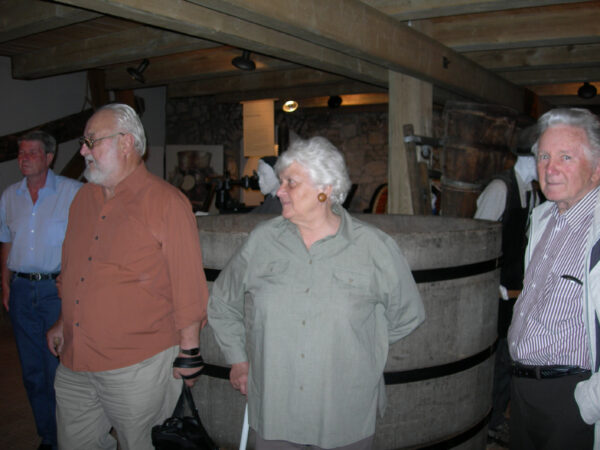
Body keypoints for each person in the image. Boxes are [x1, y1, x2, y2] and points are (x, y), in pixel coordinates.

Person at [208, 136, 425, 450]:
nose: (279, 191)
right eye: (281, 182)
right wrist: (238, 359)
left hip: (344, 416)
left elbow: (408, 314)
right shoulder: (263, 241)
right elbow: (223, 301)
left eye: (291, 183)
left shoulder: (374, 248)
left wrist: (353, 347)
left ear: (325, 189)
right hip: (276, 414)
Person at [46, 103, 209, 450]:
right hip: (75, 358)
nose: (83, 151)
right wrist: (63, 321)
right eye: (84, 142)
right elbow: (74, 271)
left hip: (138, 365)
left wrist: (190, 351)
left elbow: (188, 286)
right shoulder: (82, 200)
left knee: (141, 444)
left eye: (92, 141)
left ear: (126, 143)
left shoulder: (166, 202)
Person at [508, 107, 600, 449]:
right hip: (523, 389)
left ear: (597, 168)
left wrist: (587, 405)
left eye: (566, 157)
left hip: (570, 396)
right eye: (544, 156)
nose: (550, 168)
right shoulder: (544, 218)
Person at [0, 130, 82, 450]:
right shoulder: (10, 196)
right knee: (33, 372)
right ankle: (48, 437)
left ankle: (70, 439)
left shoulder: (73, 192)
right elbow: (6, 240)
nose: (25, 158)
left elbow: (85, 244)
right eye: (21, 153)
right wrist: (5, 282)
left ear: (49, 157)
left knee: (59, 371)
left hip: (56, 290)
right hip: (21, 289)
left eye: (32, 152)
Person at [474, 126, 541, 445]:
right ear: (531, 157)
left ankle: (497, 417)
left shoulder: (534, 192)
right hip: (496, 291)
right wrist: (491, 284)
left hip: (517, 290)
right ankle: (488, 421)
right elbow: (479, 240)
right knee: (496, 360)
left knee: (509, 358)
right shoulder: (500, 189)